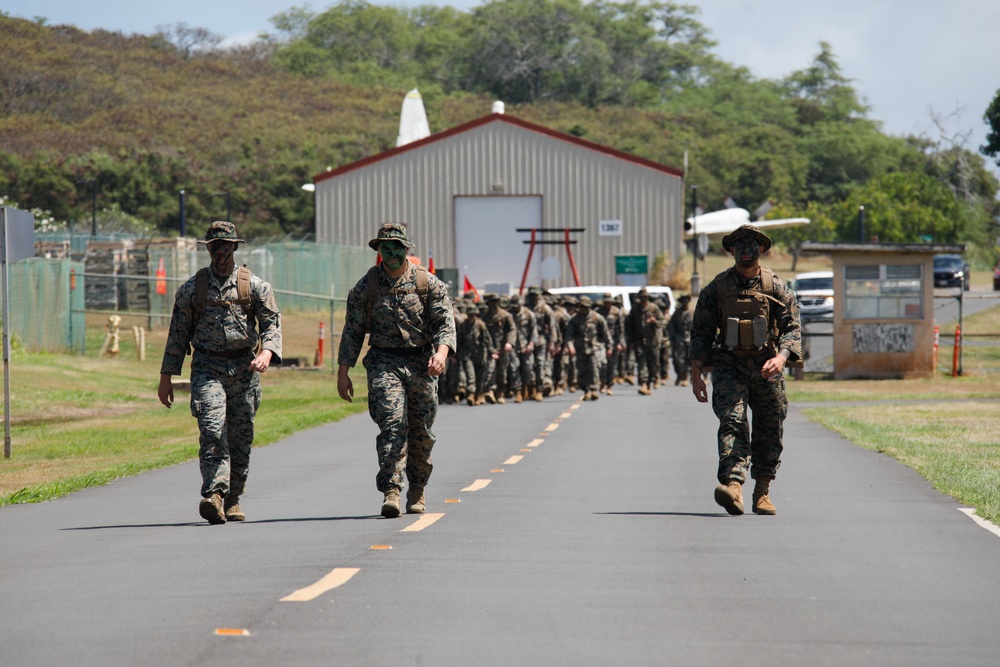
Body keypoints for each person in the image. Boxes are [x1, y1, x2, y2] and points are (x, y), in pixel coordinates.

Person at [158, 221, 282, 525]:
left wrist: (267, 352)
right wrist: (166, 377)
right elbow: (177, 335)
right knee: (213, 429)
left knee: (241, 437)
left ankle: (233, 497)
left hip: (243, 370)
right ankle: (214, 494)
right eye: (215, 245)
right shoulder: (192, 290)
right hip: (207, 368)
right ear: (208, 248)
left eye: (225, 245)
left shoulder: (254, 286)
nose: (220, 251)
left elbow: (271, 324)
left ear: (235, 246)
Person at [337, 223, 456, 518]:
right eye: (385, 247)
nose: (391, 253)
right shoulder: (367, 287)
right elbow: (352, 332)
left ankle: (417, 488)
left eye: (397, 247)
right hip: (383, 363)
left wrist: (441, 354)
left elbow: (445, 323)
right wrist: (343, 372)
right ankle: (392, 490)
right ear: (378, 250)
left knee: (422, 432)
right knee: (392, 426)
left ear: (406, 250)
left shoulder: (428, 284)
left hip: (421, 363)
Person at [689, 224, 801, 516]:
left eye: (753, 245)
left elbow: (792, 326)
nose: (747, 250)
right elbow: (700, 332)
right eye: (740, 245)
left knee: (770, 427)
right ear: (731, 250)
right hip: (729, 366)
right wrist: (696, 374)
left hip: (767, 367)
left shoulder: (775, 287)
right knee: (732, 422)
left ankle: (762, 492)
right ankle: (734, 486)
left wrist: (781, 357)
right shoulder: (716, 289)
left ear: (762, 250)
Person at [563, 296, 611, 401]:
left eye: (585, 307)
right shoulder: (574, 320)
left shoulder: (597, 318)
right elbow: (569, 335)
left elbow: (606, 333)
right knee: (582, 371)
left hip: (594, 348)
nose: (583, 309)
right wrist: (570, 346)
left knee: (594, 368)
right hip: (580, 349)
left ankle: (594, 389)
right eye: (581, 307)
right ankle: (586, 390)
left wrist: (609, 347)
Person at [627, 287, 664, 396]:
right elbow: (630, 325)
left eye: (645, 297)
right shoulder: (634, 309)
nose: (643, 299)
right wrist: (631, 340)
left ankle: (651, 381)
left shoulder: (654, 308)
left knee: (653, 363)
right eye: (641, 298)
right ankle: (643, 383)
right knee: (641, 362)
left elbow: (663, 321)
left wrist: (655, 321)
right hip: (639, 340)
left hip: (652, 341)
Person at [667, 294, 694, 386]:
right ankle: (682, 376)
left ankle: (691, 377)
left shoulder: (693, 312)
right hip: (679, 338)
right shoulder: (677, 313)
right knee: (679, 359)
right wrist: (672, 339)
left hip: (691, 338)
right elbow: (671, 326)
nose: (684, 303)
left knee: (691, 359)